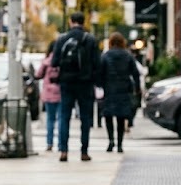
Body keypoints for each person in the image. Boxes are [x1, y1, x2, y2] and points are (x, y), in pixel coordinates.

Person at [51, 12, 100, 162]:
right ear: (84, 22)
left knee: (64, 116)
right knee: (85, 118)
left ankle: (64, 151)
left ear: (70, 22)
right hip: (85, 83)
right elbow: (97, 63)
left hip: (66, 82)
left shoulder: (62, 39)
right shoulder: (90, 39)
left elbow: (54, 62)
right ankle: (84, 151)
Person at [98, 32, 140, 153]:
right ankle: (120, 144)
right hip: (123, 89)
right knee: (121, 118)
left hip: (109, 89)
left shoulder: (106, 56)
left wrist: (100, 85)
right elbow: (135, 73)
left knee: (108, 116)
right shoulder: (128, 56)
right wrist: (136, 88)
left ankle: (111, 140)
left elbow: (100, 72)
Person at [34, 41, 61, 152]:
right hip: (61, 92)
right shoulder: (63, 61)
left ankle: (49, 143)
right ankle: (61, 144)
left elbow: (38, 75)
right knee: (61, 119)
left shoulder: (46, 62)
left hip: (49, 93)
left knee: (50, 119)